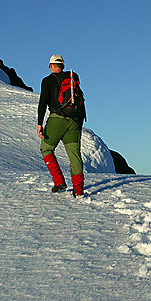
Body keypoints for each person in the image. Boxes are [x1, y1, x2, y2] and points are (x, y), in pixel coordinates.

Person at [37, 54, 86, 196]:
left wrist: (40, 123)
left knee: (46, 148)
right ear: (63, 66)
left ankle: (59, 181)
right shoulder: (73, 77)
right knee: (74, 155)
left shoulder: (47, 80)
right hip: (75, 120)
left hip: (57, 119)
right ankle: (78, 189)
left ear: (51, 66)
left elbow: (43, 102)